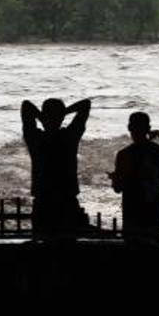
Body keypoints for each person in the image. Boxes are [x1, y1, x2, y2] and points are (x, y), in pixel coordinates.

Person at [21, 97, 91, 237]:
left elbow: (26, 106)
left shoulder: (35, 138)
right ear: (61, 118)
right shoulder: (69, 137)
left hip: (43, 202)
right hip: (67, 202)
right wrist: (64, 112)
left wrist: (42, 117)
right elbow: (85, 105)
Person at [109, 112, 159, 244]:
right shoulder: (156, 150)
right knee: (154, 250)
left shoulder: (124, 154)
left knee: (134, 251)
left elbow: (118, 188)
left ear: (129, 128)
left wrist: (114, 178)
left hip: (133, 211)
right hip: (155, 209)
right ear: (148, 128)